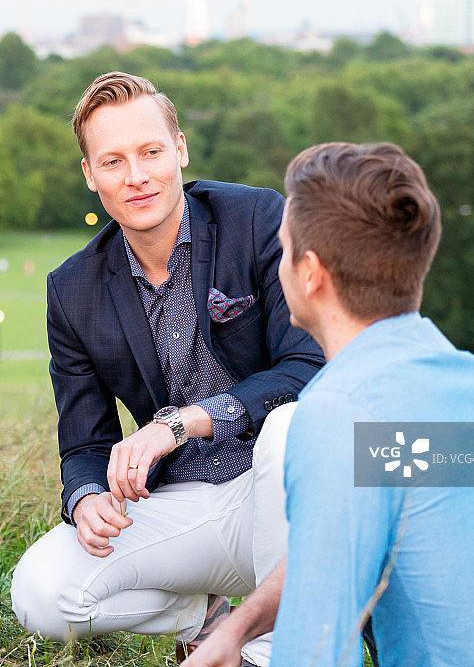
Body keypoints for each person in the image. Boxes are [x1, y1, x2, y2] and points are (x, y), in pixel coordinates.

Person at [183, 141, 474, 667]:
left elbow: (317, 652)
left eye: (282, 249)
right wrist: (240, 628)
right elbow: (352, 536)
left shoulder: (338, 413)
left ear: (310, 273)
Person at [10, 72, 323, 666]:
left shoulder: (256, 219)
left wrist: (182, 423)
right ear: (89, 174)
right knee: (40, 593)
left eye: (151, 151)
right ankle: (204, 617)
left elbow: (308, 366)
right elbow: (84, 442)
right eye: (113, 161)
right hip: (185, 504)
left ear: (179, 149)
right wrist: (84, 498)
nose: (136, 176)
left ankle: (268, 655)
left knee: (289, 429)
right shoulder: (72, 290)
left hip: (286, 495)